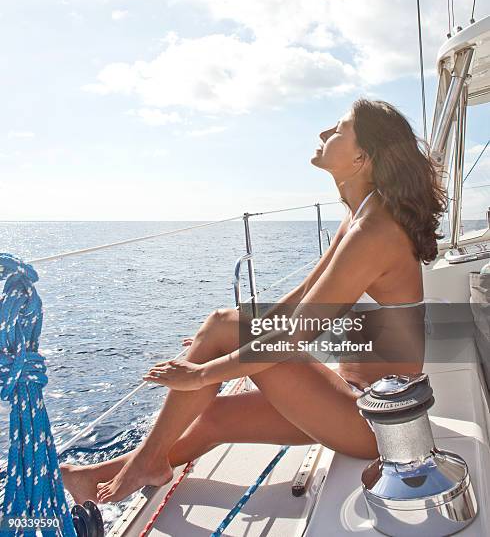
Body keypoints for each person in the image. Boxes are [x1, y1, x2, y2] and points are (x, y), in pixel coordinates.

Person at [61, 98, 447, 505]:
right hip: (347, 396)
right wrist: (226, 345)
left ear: (360, 157)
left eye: (337, 130)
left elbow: (296, 334)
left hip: (377, 422)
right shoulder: (360, 216)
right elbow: (299, 299)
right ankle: (106, 475)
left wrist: (205, 370)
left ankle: (146, 462)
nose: (322, 134)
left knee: (222, 325)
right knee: (212, 416)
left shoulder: (374, 230)